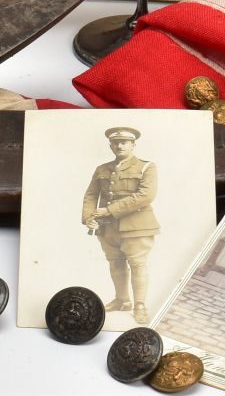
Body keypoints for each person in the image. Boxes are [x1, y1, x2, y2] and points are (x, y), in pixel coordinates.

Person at [82, 126, 159, 324]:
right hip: (107, 228)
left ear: (133, 145)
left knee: (138, 265)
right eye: (116, 142)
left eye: (124, 142)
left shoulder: (146, 167)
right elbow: (91, 195)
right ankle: (122, 300)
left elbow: (145, 196)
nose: (119, 145)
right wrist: (88, 217)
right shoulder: (102, 169)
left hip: (137, 227)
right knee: (115, 264)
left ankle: (140, 305)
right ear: (110, 145)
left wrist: (108, 210)